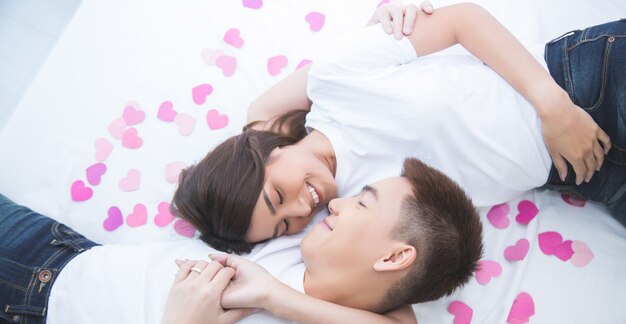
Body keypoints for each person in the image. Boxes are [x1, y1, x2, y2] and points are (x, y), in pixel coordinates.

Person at [0, 157, 483, 324]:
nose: (336, 204)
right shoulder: (295, 233)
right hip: (47, 252)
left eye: (363, 204)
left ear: (394, 257)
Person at [171, 3, 625, 254]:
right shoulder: (354, 213)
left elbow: (463, 20)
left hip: (576, 83)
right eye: (282, 225)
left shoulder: (334, 82)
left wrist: (553, 106)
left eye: (276, 196)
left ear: (262, 151)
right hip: (584, 172)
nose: (299, 209)